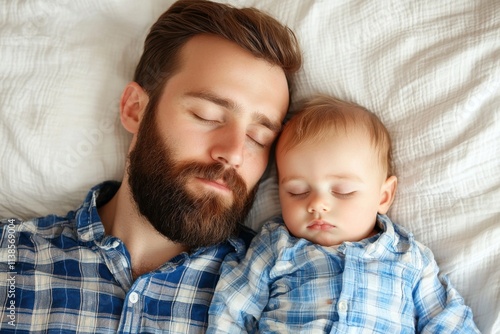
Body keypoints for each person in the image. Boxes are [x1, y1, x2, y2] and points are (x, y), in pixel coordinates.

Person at [0, 0, 302, 332]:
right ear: (135, 110)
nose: (234, 153)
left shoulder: (283, 284)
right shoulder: (10, 257)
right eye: (208, 116)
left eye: (258, 138)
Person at [207, 95, 480, 333]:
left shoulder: (408, 258)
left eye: (343, 191)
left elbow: (447, 320)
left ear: (383, 196)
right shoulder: (275, 247)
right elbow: (233, 309)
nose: (317, 204)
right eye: (298, 191)